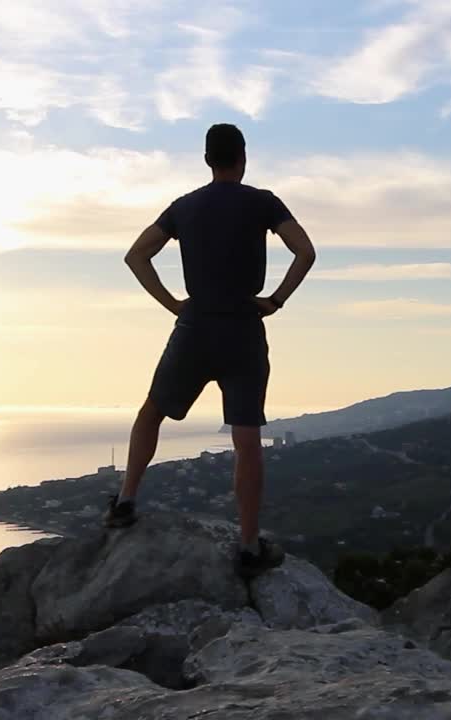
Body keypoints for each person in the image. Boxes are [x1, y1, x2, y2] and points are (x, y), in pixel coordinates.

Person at [105, 123, 316, 579]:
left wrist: (173, 304)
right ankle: (246, 545)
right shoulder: (263, 202)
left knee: (152, 411)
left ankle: (125, 501)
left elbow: (136, 255)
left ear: (206, 160)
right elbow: (305, 251)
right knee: (246, 438)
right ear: (243, 157)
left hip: (195, 326)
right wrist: (276, 300)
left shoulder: (185, 207)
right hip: (244, 325)